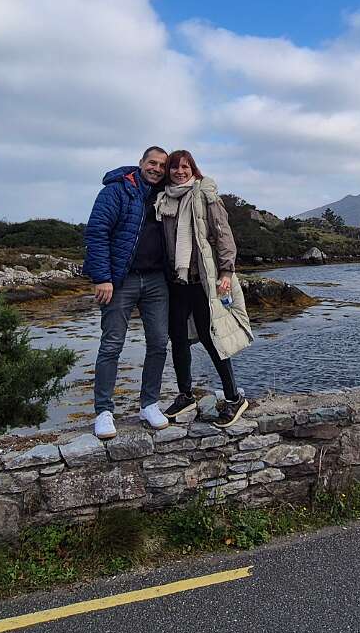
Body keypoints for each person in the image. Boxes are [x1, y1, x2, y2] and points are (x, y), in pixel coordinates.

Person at [154, 149, 253, 427]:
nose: (180, 172)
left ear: (193, 169)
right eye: (174, 167)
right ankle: (185, 395)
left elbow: (223, 235)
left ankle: (234, 398)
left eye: (185, 167)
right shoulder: (163, 200)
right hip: (177, 282)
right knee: (178, 339)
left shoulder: (205, 194)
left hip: (203, 281)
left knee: (212, 339)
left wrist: (226, 271)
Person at [83, 146, 172, 439]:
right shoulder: (116, 191)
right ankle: (103, 411)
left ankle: (149, 404)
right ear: (141, 163)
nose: (156, 168)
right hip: (121, 281)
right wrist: (102, 278)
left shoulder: (166, 194)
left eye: (162, 165)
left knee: (159, 343)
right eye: (152, 162)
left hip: (157, 280)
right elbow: (97, 232)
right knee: (111, 345)